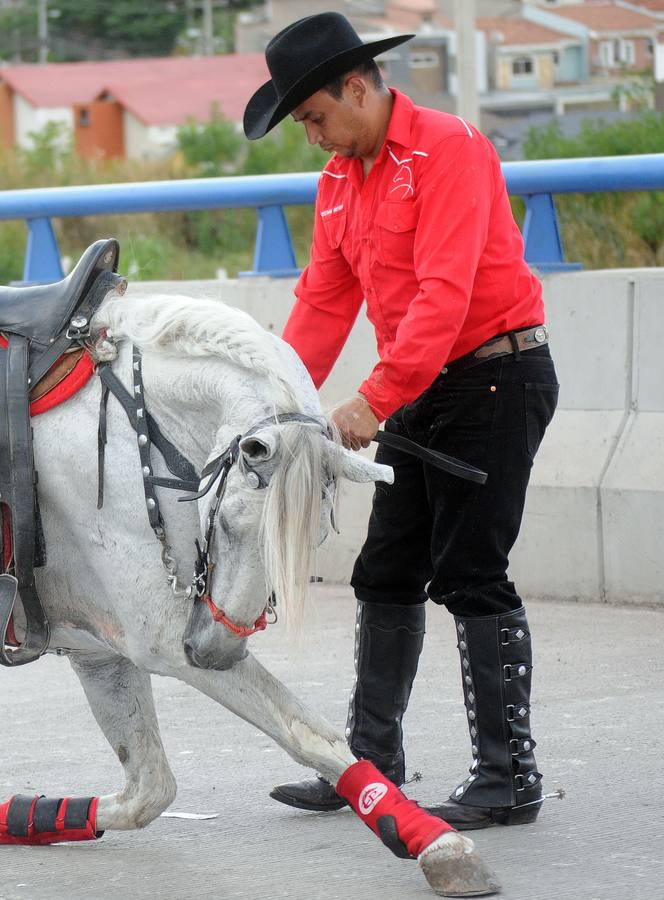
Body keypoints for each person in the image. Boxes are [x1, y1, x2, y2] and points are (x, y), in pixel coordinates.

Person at [245, 12, 559, 830]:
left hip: (496, 377)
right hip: (427, 390)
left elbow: (444, 297)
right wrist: (275, 399)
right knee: (385, 572)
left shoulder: (448, 149)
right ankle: (371, 768)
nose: (313, 138)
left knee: (471, 572)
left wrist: (372, 398)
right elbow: (322, 302)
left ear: (357, 87)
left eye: (314, 117)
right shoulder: (341, 182)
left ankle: (510, 776)